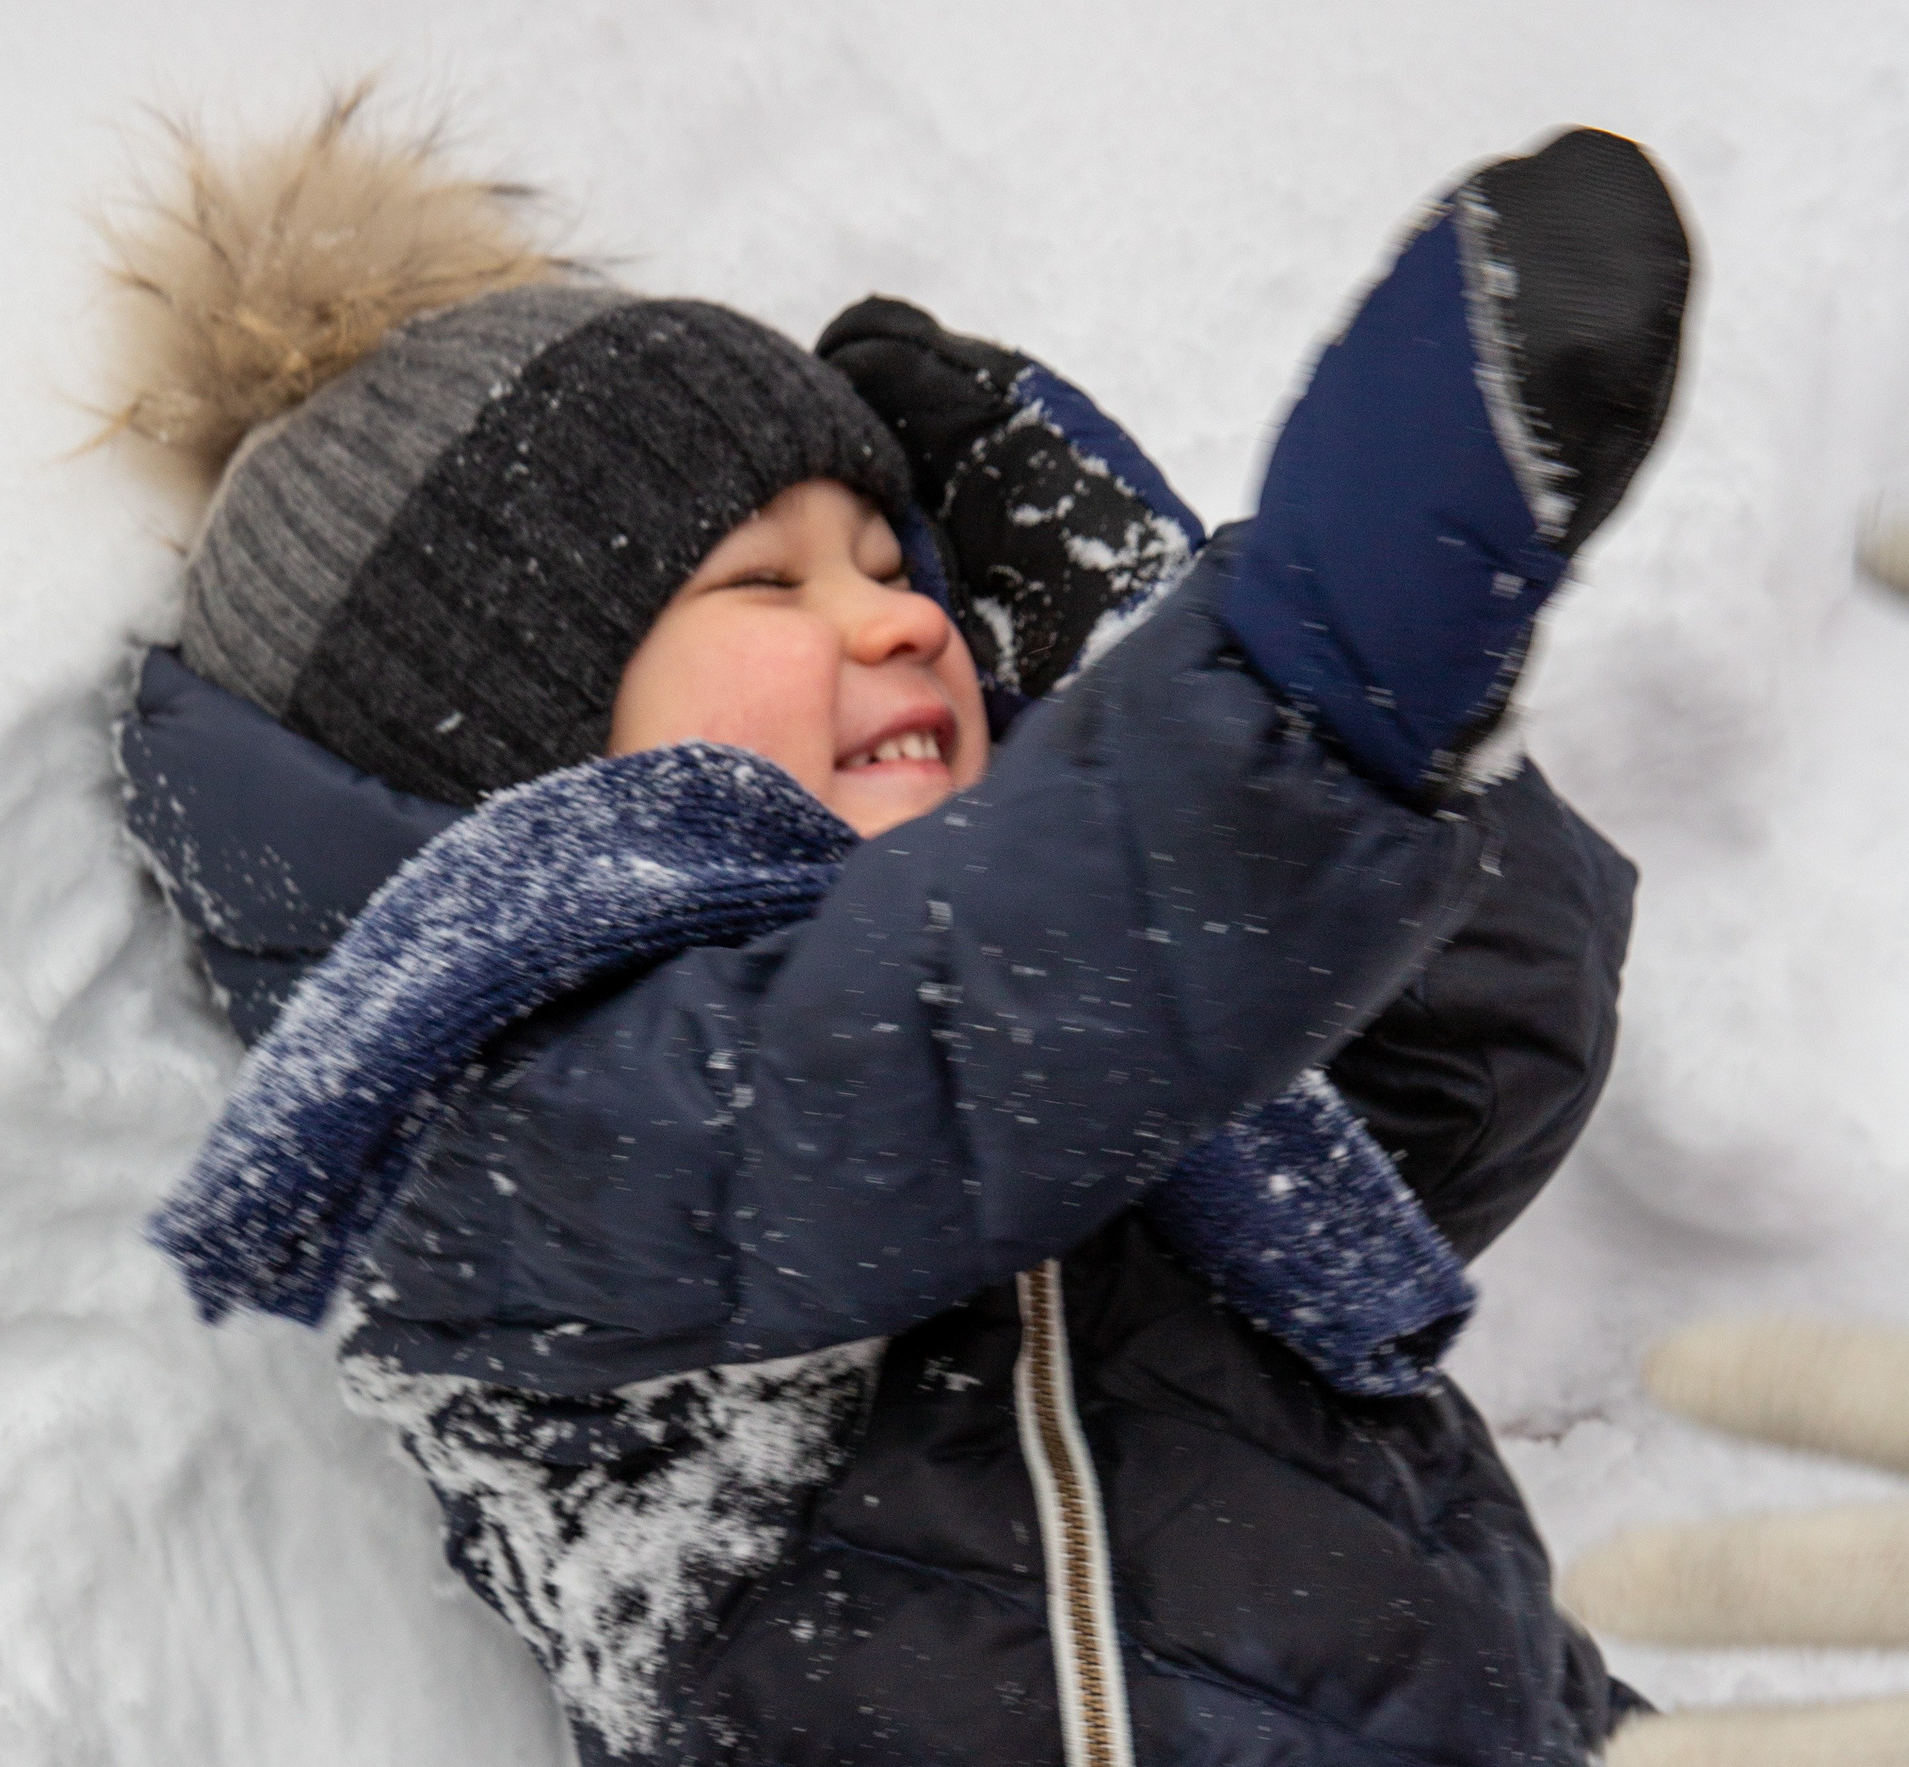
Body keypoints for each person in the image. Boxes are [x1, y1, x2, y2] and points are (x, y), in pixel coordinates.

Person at [110, 94, 1689, 1766]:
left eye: (891, 558)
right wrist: (1289, 682)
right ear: (511, 739)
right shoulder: (485, 1134)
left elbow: (1488, 1033)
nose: (901, 617)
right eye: (767, 586)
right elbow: (904, 1065)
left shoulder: (1122, 1039)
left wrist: (1137, 614)